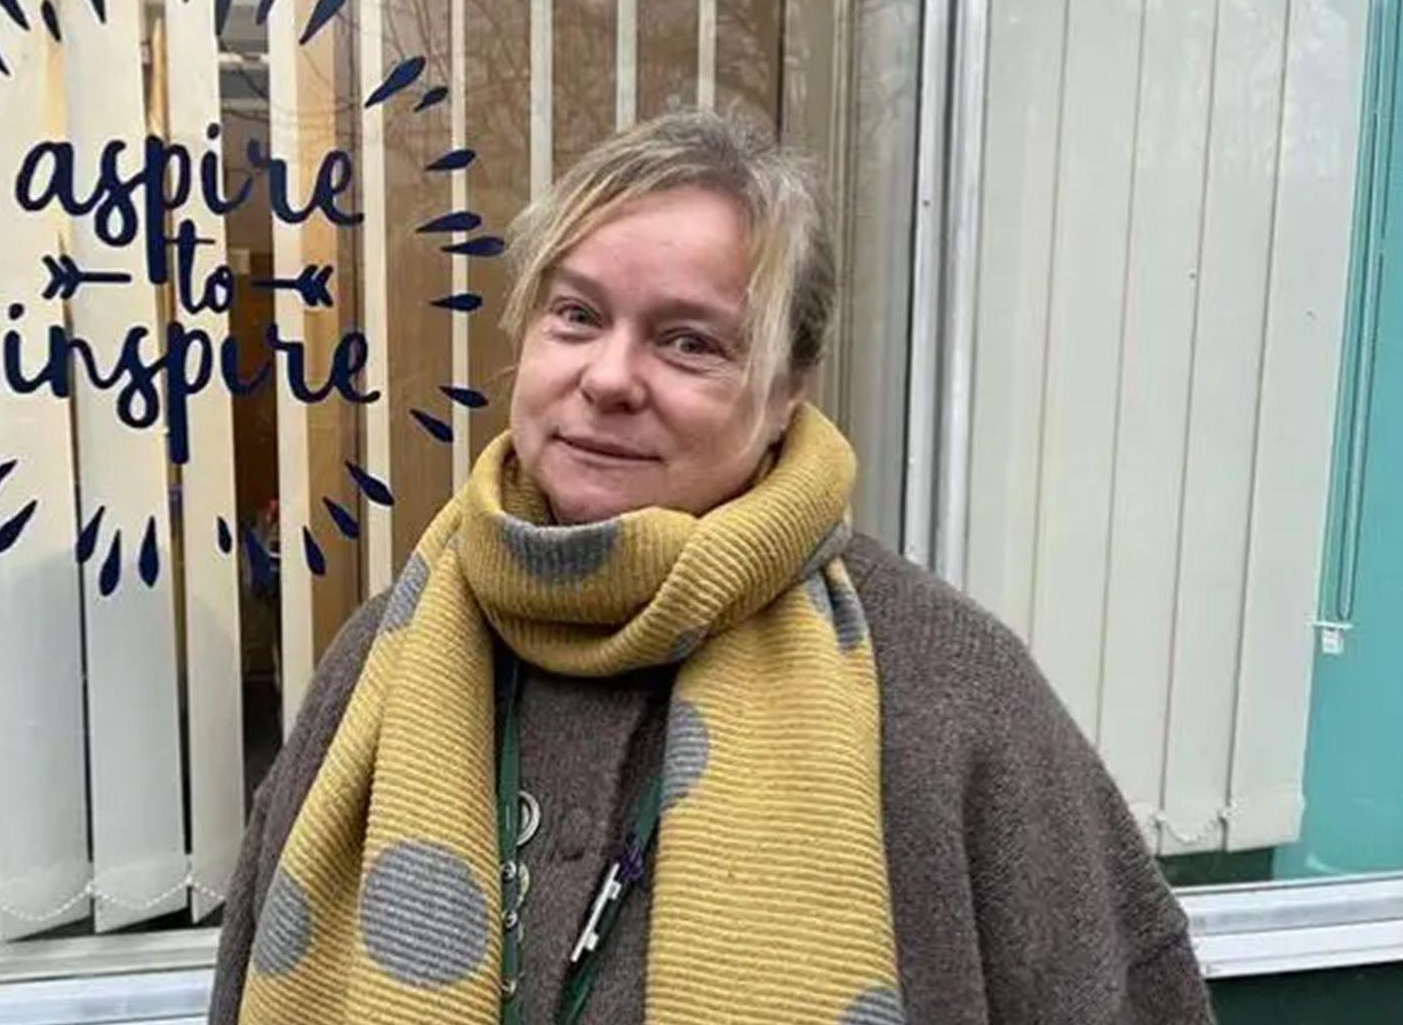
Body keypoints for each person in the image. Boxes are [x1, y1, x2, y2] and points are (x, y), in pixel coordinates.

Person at [209, 110, 1214, 1024]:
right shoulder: (379, 664)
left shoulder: (947, 690)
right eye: (577, 315)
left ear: (786, 392)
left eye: (688, 342)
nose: (609, 377)